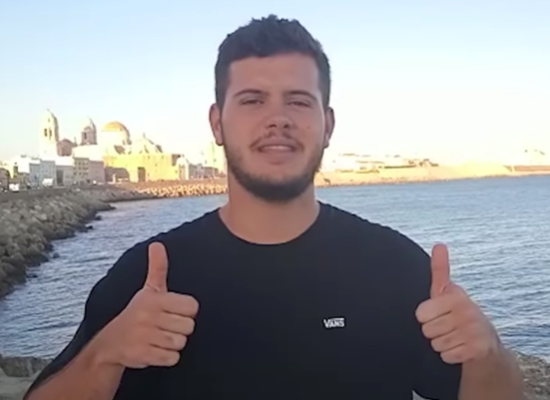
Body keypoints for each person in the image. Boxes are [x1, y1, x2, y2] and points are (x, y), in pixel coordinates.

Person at [24, 15, 524, 400]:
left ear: (328, 125)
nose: (278, 118)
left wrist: (488, 352)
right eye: (253, 100)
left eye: (299, 101)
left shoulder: (395, 267)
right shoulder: (148, 276)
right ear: (217, 124)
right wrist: (107, 355)